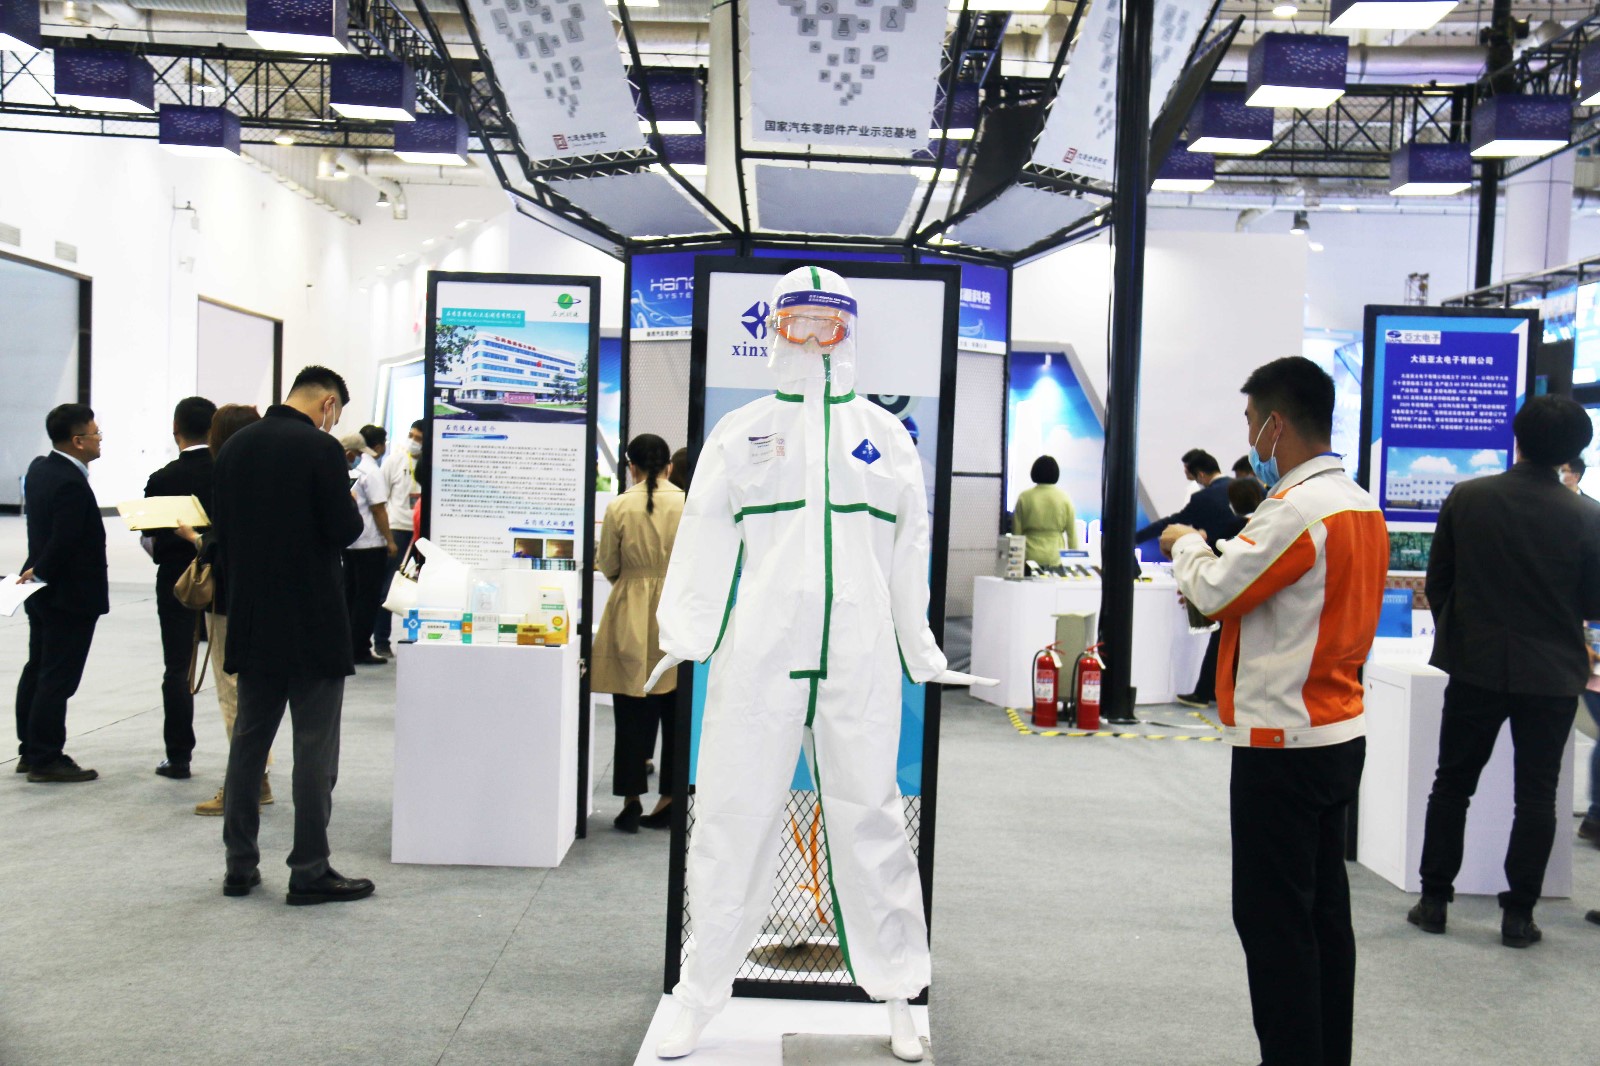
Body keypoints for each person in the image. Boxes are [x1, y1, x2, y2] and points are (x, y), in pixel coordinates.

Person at [646, 266, 988, 1062]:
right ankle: (699, 993)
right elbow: (703, 538)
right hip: (759, 653)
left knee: (871, 816)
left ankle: (899, 991)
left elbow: (910, 549)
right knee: (731, 816)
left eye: (824, 322)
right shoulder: (742, 432)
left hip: (859, 654)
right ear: (775, 328)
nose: (809, 336)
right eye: (794, 320)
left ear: (847, 329)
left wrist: (918, 644)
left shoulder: (885, 435)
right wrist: (686, 634)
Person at [1160, 356, 1387, 1066]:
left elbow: (1216, 590)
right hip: (1334, 730)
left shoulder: (1296, 510)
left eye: (1252, 421)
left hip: (1283, 742)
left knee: (1274, 921)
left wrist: (1186, 545)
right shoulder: (1357, 502)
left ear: (1276, 424)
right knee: (1322, 915)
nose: (1250, 436)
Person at [1409, 395, 1600, 949]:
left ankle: (1434, 900)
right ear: (1573, 452)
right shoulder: (1588, 517)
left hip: (1474, 663)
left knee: (1452, 784)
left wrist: (1460, 634)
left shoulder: (1468, 497)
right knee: (1537, 796)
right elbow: (1593, 603)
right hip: (1552, 673)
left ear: (1516, 437)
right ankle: (1519, 915)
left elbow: (1438, 580)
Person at [210, 366, 373, 905]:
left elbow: (222, 532)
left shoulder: (235, 447)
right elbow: (344, 530)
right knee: (314, 749)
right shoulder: (320, 449)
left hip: (252, 618)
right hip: (312, 621)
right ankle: (309, 869)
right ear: (328, 404)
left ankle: (239, 866)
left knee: (248, 745)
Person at [174, 404, 270, 816]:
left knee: (232, 691)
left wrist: (194, 537)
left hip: (230, 601)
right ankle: (256, 776)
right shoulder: (270, 476)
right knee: (260, 694)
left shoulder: (228, 476)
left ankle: (246, 783)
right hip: (271, 600)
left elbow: (224, 545)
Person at [591, 433, 685, 833]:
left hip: (630, 608)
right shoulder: (687, 502)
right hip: (678, 611)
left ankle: (631, 799)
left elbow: (608, 563)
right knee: (676, 709)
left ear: (631, 467)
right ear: (668, 466)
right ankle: (670, 799)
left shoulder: (619, 505)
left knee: (630, 709)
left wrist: (632, 581)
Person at [14, 403, 108, 783]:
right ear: (78, 441)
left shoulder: (40, 468)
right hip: (68, 596)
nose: (100, 440)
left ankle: (30, 749)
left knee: (38, 668)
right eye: (96, 433)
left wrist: (36, 574)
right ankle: (46, 757)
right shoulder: (70, 483)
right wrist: (43, 570)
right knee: (57, 679)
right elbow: (64, 540)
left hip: (41, 593)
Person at [143, 395, 217, 780]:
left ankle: (178, 757)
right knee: (233, 669)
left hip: (176, 581)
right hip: (226, 577)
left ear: (176, 430)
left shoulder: (162, 479)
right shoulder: (227, 471)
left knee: (177, 667)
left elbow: (149, 540)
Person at [1149, 451, 1246, 709]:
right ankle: (1213, 691)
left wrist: (1133, 537)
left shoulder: (1207, 499)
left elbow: (1177, 526)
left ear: (1200, 473)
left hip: (1219, 577)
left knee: (1220, 635)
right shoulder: (1236, 497)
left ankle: (1205, 692)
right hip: (1229, 576)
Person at [340, 432, 396, 666]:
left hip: (350, 542)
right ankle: (360, 648)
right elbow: (378, 509)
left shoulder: (345, 471)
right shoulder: (371, 472)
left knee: (350, 596)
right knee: (367, 598)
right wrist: (390, 540)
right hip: (370, 543)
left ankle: (347, 646)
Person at [374, 419, 423, 658]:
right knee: (389, 587)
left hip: (423, 530)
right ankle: (381, 640)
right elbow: (381, 498)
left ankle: (420, 637)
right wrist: (387, 538)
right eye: (411, 435)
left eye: (419, 438)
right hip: (398, 530)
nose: (413, 441)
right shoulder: (394, 461)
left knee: (422, 586)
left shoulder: (430, 462)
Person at [1136, 449, 1244, 548]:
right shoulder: (1245, 486)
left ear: (1201, 475)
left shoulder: (1202, 497)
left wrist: (1135, 538)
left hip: (1218, 554)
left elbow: (1173, 522)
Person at [1012, 456, 1078, 569]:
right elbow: (1072, 535)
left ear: (1034, 472)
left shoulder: (1024, 497)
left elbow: (1016, 534)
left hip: (1029, 557)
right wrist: (1075, 563)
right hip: (1055, 557)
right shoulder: (1064, 498)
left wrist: (1014, 562)